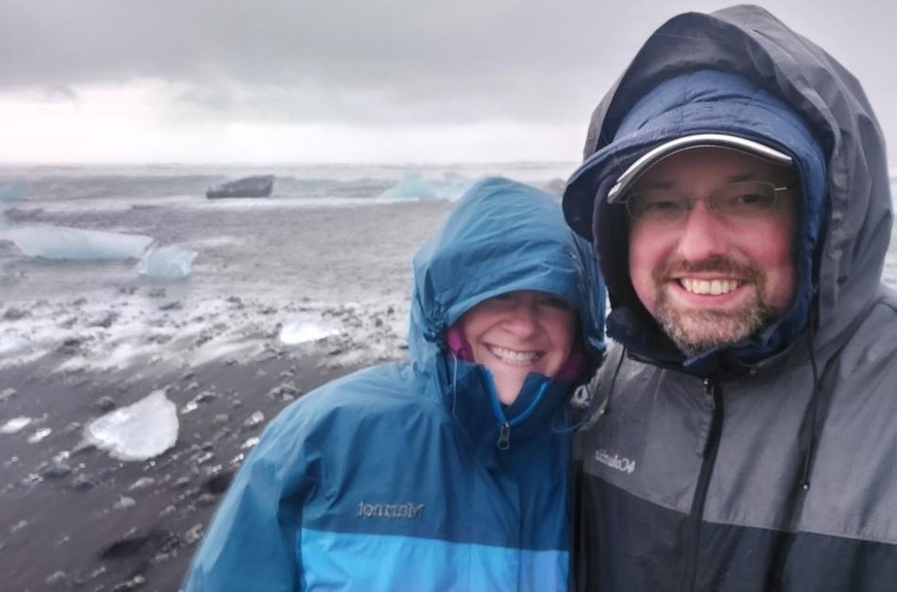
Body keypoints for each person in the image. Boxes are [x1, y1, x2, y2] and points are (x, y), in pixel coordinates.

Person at [561, 4, 897, 591]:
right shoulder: (597, 397)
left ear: (824, 213)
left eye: (748, 199)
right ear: (618, 231)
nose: (700, 245)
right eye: (661, 203)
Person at [182, 177, 606, 591]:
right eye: (498, 294)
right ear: (447, 306)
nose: (524, 326)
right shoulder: (325, 436)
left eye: (552, 300)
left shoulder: (598, 454)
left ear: (581, 321)